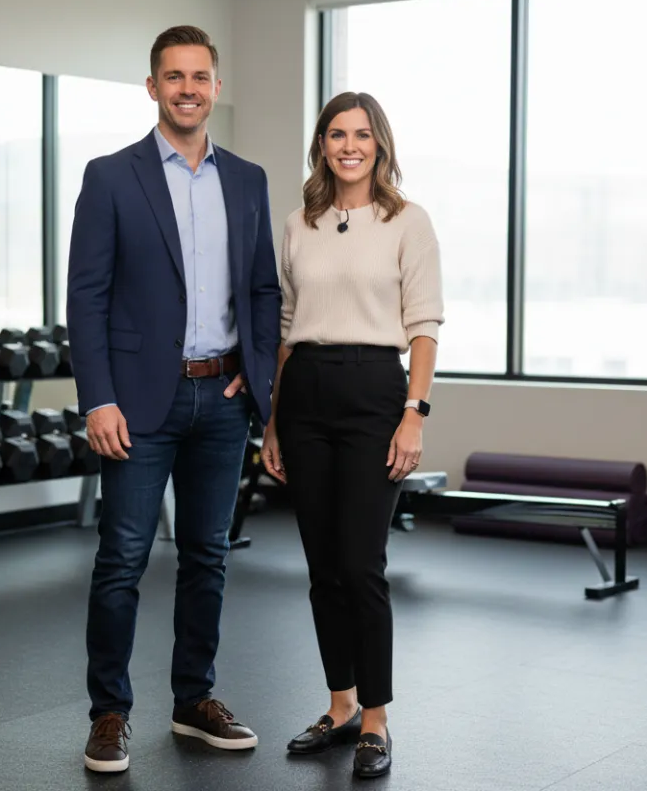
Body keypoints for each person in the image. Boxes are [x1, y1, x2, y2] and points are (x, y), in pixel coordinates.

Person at [66, 24, 282, 774]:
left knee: (207, 557)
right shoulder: (110, 176)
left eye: (199, 76)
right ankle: (109, 713)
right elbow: (86, 297)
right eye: (174, 76)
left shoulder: (247, 180)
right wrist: (98, 398)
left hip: (221, 399)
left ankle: (194, 700)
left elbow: (262, 290)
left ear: (216, 86)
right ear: (153, 87)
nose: (187, 89)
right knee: (122, 558)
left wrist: (257, 378)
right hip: (136, 404)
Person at [259, 91, 444, 780]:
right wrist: (273, 422)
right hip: (304, 393)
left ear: (379, 145)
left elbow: (423, 325)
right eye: (337, 134)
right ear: (321, 145)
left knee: (362, 565)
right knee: (323, 568)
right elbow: (285, 332)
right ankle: (339, 705)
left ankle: (375, 718)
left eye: (362, 135)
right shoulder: (298, 223)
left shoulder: (407, 221)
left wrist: (414, 413)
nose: (349, 146)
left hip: (374, 393)